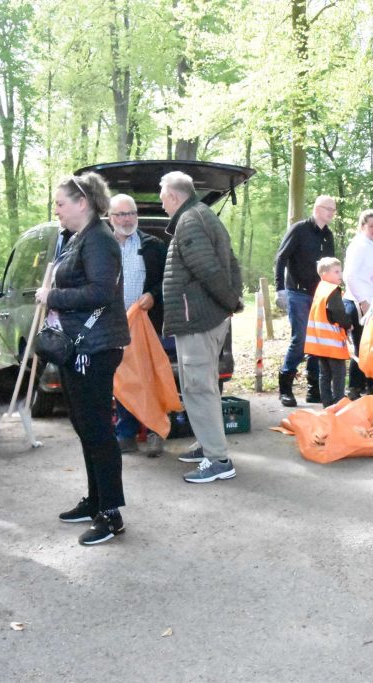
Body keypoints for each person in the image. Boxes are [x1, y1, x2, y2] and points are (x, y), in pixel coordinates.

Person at [36, 173, 131, 546]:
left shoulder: (99, 240)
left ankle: (111, 513)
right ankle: (95, 501)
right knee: (85, 426)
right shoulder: (80, 238)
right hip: (79, 347)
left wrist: (53, 296)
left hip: (95, 348)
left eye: (60, 203)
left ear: (82, 203)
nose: (56, 210)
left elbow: (101, 292)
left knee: (97, 430)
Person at [160, 171, 244, 483]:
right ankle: (207, 445)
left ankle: (218, 459)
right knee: (199, 385)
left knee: (198, 388)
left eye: (163, 200)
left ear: (173, 196)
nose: (163, 206)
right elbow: (231, 262)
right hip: (204, 318)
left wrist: (230, 301)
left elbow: (209, 270)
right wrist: (231, 301)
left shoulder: (189, 220)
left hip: (198, 320)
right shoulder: (203, 215)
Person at [108, 193, 167, 456]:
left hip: (146, 325)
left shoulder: (153, 246)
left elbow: (168, 280)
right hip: (113, 325)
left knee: (151, 377)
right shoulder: (102, 246)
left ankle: (156, 431)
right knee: (123, 380)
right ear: (110, 217)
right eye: (121, 214)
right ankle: (126, 434)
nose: (127, 219)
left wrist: (153, 295)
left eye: (131, 213)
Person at [274, 195, 337, 407]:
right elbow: (281, 258)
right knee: (300, 339)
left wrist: (333, 291)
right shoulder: (299, 230)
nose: (332, 213)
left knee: (317, 340)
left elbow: (330, 266)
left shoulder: (328, 235)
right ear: (317, 209)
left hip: (320, 294)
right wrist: (280, 290)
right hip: (297, 293)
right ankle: (285, 387)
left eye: (334, 210)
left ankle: (314, 389)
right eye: (329, 209)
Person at [342, 209, 373, 400]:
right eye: (371, 226)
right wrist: (362, 300)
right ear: (362, 226)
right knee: (363, 346)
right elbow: (350, 276)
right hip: (359, 302)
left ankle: (372, 387)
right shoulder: (358, 246)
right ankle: (354, 387)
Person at [305, 257, 353, 407]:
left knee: (324, 374)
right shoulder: (333, 290)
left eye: (341, 271)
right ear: (324, 274)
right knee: (338, 374)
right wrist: (348, 324)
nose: (340, 275)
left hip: (320, 343)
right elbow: (337, 312)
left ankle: (327, 404)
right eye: (336, 272)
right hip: (332, 342)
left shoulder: (321, 288)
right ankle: (339, 403)